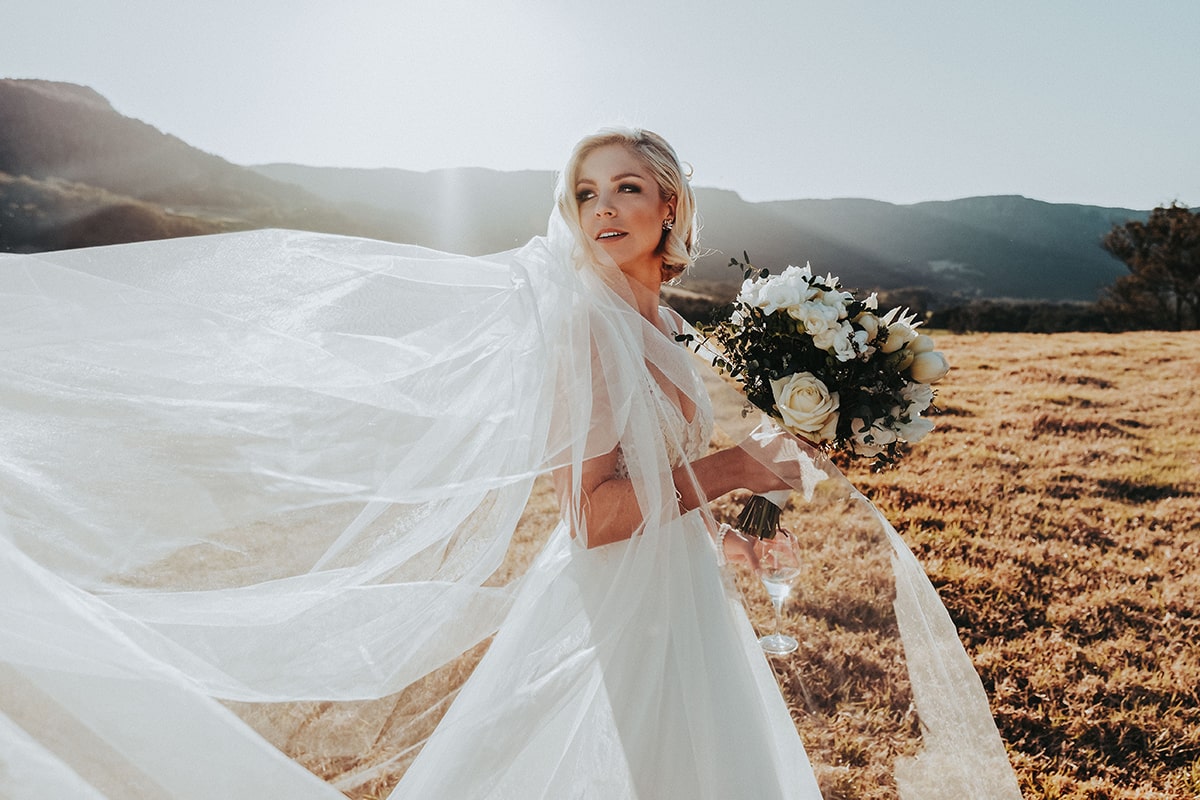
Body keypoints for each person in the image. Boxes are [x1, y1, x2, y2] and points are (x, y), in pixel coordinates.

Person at [0, 127, 1021, 799]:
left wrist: (729, 524)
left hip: (680, 594)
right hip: (617, 602)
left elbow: (656, 471)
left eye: (628, 186)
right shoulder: (582, 326)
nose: (605, 205)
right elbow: (595, 513)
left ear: (671, 203)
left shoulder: (664, 319)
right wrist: (738, 473)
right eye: (586, 191)